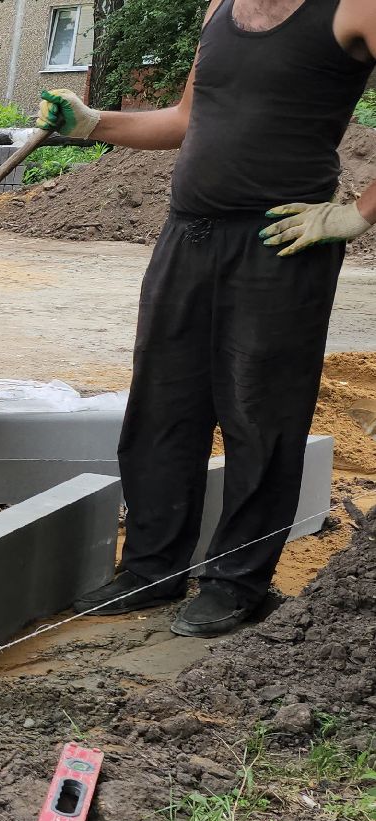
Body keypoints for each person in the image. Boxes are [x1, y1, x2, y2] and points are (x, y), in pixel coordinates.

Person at [40, 0, 376, 637]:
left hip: (280, 244)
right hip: (189, 234)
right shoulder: (220, 8)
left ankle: (235, 582)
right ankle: (151, 568)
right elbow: (186, 119)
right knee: (163, 407)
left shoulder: (352, 9)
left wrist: (356, 214)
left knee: (260, 416)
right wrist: (93, 124)